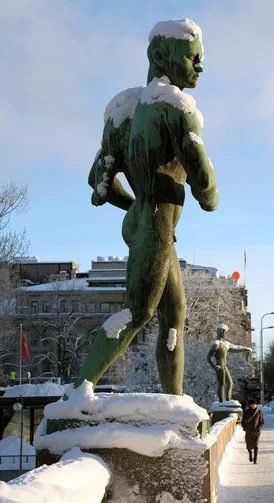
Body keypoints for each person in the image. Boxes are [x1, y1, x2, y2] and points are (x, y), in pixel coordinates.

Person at [74, 19, 218, 394]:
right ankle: (78, 390)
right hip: (155, 225)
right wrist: (209, 196)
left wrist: (135, 205)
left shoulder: (122, 110)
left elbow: (99, 182)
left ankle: (174, 398)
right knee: (137, 312)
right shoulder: (176, 107)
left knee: (174, 316)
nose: (200, 66)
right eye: (192, 57)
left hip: (148, 222)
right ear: (160, 55)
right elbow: (203, 180)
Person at [207, 324, 252, 402]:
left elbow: (236, 348)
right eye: (223, 332)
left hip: (224, 366)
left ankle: (228, 400)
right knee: (221, 384)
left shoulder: (225, 344)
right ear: (219, 332)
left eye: (225, 332)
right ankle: (221, 402)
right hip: (219, 366)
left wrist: (246, 349)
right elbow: (208, 357)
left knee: (230, 383)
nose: (225, 334)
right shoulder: (216, 344)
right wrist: (215, 367)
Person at [242, 400, 264, 464]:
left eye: (254, 404)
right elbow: (243, 421)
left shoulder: (259, 412)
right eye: (251, 404)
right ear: (249, 405)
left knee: (256, 446)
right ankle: (250, 454)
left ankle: (255, 460)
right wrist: (245, 428)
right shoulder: (246, 412)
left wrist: (259, 428)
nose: (253, 405)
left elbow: (262, 422)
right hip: (248, 431)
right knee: (248, 445)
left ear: (256, 405)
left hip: (256, 431)